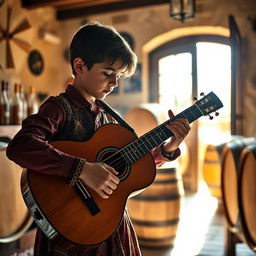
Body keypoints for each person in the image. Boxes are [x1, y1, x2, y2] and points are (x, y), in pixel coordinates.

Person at [6, 21, 191, 256]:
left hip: (109, 225)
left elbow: (128, 166)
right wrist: (81, 168)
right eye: (108, 74)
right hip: (70, 231)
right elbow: (20, 146)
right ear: (80, 65)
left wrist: (170, 146)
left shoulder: (108, 116)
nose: (114, 83)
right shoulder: (59, 108)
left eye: (119, 76)